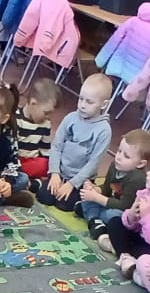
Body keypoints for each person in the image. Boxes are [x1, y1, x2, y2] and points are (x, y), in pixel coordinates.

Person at [34, 73, 113, 213]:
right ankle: (42, 183)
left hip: (81, 180)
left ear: (104, 104)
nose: (82, 105)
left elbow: (93, 164)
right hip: (60, 173)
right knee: (44, 197)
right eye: (81, 99)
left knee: (64, 205)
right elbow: (56, 146)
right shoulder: (70, 118)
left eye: (89, 102)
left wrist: (72, 184)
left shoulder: (104, 131)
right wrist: (54, 173)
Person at [79, 129, 150, 239]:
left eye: (126, 156)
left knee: (114, 216)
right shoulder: (114, 165)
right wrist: (95, 189)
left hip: (122, 211)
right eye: (119, 151)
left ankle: (92, 216)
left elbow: (125, 206)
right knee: (86, 194)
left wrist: (96, 198)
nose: (119, 157)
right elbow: (106, 190)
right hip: (109, 203)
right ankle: (95, 220)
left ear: (140, 164)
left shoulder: (137, 179)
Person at [15, 78, 62, 180]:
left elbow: (45, 149)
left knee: (48, 163)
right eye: (46, 113)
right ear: (33, 104)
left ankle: (27, 179)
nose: (48, 117)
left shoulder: (45, 124)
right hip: (15, 160)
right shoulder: (16, 119)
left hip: (32, 162)